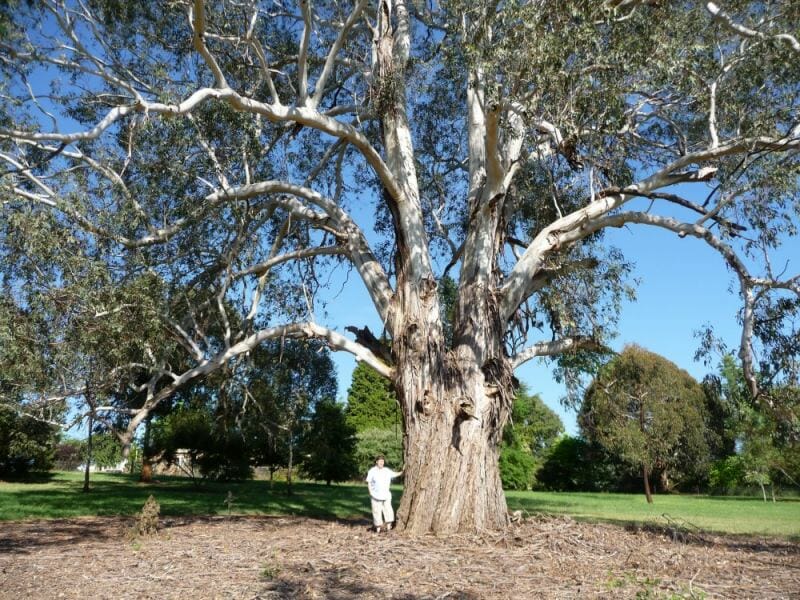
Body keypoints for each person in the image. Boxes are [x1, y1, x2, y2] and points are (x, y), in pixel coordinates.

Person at [365, 454, 403, 532]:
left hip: (386, 495)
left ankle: (389, 528)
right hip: (375, 495)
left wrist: (403, 471)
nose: (382, 463)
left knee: (388, 510)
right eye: (380, 461)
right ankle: (378, 529)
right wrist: (370, 493)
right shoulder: (372, 471)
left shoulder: (386, 470)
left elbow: (396, 474)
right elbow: (368, 482)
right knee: (377, 511)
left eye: (383, 461)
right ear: (376, 462)